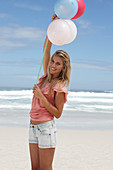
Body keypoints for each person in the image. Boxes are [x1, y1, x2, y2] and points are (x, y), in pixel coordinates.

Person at [29, 14, 71, 170]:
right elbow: (46, 49)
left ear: (62, 68)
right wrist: (52, 25)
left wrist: (41, 97)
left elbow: (58, 114)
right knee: (34, 168)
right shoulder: (45, 77)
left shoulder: (60, 87)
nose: (53, 65)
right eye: (53, 61)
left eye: (58, 63)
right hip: (32, 127)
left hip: (46, 128)